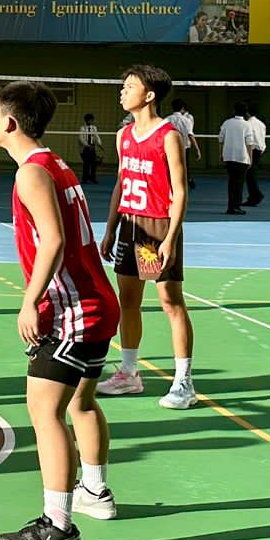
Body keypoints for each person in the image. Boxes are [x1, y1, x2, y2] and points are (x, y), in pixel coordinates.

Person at [0, 80, 120, 540]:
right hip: (95, 303)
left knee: (45, 413)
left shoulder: (32, 173)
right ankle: (95, 491)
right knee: (81, 402)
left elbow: (54, 240)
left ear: (9, 122)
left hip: (75, 311)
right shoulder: (54, 163)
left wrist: (31, 301)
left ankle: (57, 526)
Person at [97, 65, 198, 410]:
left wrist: (170, 236)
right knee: (127, 300)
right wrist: (110, 227)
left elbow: (180, 191)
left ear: (149, 95)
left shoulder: (168, 135)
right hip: (130, 224)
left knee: (170, 301)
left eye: (130, 86)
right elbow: (121, 183)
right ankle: (129, 373)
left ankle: (184, 381)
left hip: (157, 226)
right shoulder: (123, 136)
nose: (122, 91)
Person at [219, 104, 253, 215]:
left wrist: (221, 154)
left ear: (234, 111)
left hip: (229, 156)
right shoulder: (247, 125)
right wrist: (250, 158)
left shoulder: (227, 123)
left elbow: (221, 139)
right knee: (239, 183)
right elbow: (249, 143)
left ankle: (230, 206)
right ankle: (236, 206)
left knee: (232, 182)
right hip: (241, 157)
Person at [169, 98, 200, 190]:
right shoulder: (187, 120)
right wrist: (197, 149)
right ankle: (184, 184)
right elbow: (190, 135)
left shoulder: (167, 119)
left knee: (171, 166)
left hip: (170, 147)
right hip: (184, 147)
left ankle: (173, 185)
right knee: (184, 166)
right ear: (182, 108)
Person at [244, 103, 268, 207]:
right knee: (251, 174)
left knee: (250, 174)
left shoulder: (247, 124)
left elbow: (249, 140)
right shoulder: (261, 124)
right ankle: (254, 196)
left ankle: (256, 195)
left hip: (252, 150)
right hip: (259, 150)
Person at [78, 111, 103, 186]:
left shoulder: (94, 128)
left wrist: (99, 144)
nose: (91, 121)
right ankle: (85, 179)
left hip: (92, 147)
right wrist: (87, 145)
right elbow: (81, 138)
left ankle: (92, 178)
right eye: (89, 120)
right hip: (86, 148)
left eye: (92, 120)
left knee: (93, 163)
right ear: (86, 120)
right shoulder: (82, 128)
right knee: (86, 164)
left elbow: (96, 136)